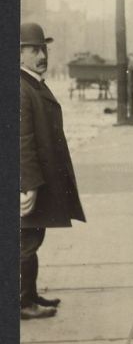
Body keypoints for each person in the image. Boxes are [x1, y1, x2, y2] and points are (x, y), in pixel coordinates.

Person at [20, 22, 86, 320]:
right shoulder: (21, 87)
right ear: (18, 54)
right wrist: (28, 185)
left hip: (36, 180)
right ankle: (22, 302)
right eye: (34, 49)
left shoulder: (32, 82)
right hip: (28, 183)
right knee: (25, 241)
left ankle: (29, 295)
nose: (41, 55)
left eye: (43, 48)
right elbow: (22, 142)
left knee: (32, 237)